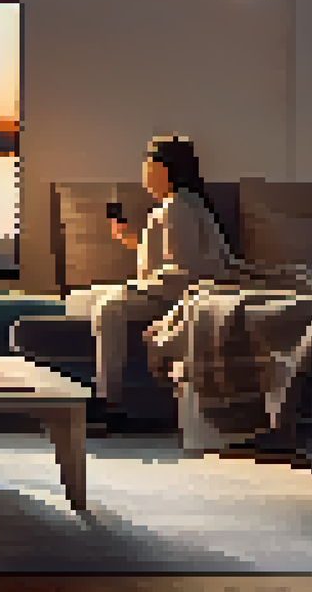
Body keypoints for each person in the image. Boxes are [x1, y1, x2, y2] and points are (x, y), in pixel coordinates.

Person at [69, 134, 235, 420]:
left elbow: (185, 269)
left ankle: (108, 398)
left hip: (176, 294)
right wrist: (130, 239)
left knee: (109, 307)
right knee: (77, 300)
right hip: (164, 287)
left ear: (164, 170)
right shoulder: (179, 205)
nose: (144, 174)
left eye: (148, 166)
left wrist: (136, 287)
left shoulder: (178, 207)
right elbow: (168, 251)